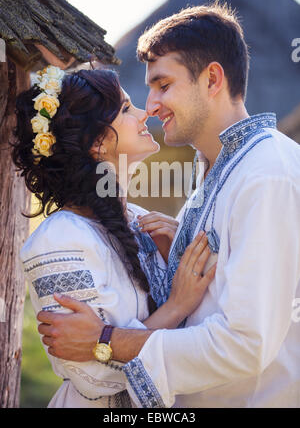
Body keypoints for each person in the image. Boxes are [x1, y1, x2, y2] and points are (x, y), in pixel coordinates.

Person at [37, 2, 300, 408]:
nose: (152, 106)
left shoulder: (266, 174)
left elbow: (245, 344)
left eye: (163, 85)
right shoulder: (217, 171)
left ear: (212, 78)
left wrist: (105, 341)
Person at [13, 66, 216, 408]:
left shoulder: (140, 221)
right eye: (125, 109)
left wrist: (172, 254)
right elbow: (94, 376)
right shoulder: (58, 240)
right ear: (97, 143)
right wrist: (176, 305)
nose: (146, 112)